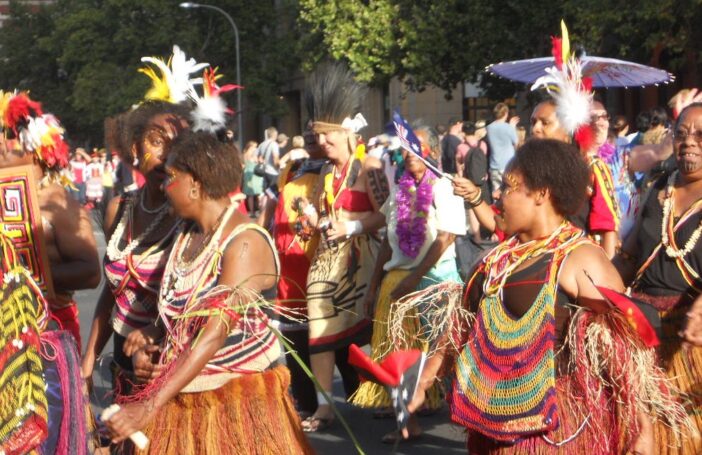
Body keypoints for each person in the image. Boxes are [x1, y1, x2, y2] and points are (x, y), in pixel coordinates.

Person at [403, 139, 688, 453]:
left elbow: (622, 351)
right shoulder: (495, 259)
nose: (498, 195)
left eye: (509, 187)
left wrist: (642, 430)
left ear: (542, 193)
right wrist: (425, 379)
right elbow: (462, 324)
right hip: (490, 425)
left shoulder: (581, 260)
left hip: (554, 431)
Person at [105, 129, 313, 454]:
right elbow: (182, 309)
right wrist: (153, 335)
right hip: (180, 393)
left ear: (196, 183)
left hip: (236, 407)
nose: (163, 186)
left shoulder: (244, 242)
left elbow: (214, 333)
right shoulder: (186, 233)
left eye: (170, 177)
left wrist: (149, 406)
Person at [351, 124, 466, 443]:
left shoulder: (445, 187)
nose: (410, 153)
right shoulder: (399, 190)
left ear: (433, 152)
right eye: (405, 148)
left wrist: (415, 279)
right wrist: (374, 285)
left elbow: (446, 237)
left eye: (418, 146)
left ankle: (472, 417)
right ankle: (408, 421)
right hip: (397, 283)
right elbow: (387, 240)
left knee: (449, 353)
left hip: (437, 283)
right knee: (400, 352)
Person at [298, 64, 388, 432]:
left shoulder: (370, 165)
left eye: (328, 136)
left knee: (375, 328)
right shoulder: (323, 173)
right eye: (318, 138)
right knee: (316, 324)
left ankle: (399, 394)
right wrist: (314, 222)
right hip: (327, 259)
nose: (323, 144)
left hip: (364, 255)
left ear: (348, 132)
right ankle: (324, 406)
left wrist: (352, 225)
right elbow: (326, 212)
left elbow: (387, 215)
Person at [81, 100, 189, 401]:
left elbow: (199, 307)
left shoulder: (189, 214)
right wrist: (89, 359)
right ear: (134, 147)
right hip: (124, 359)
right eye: (156, 141)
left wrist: (155, 341)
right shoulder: (119, 208)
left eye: (176, 144)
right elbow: (114, 288)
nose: (167, 154)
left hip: (172, 367)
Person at [616, 102, 702, 454]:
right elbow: (629, 255)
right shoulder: (658, 187)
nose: (689, 142)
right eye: (681, 134)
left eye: (700, 135)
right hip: (643, 333)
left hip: (690, 342)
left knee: (687, 437)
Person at [272, 126, 361, 419]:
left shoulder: (344, 170)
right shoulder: (292, 170)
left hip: (328, 262)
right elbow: (276, 213)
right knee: (300, 340)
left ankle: (359, 394)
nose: (314, 141)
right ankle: (311, 402)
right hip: (293, 268)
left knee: (338, 335)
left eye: (320, 135)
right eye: (310, 135)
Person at [0, 90, 100, 347]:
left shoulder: (58, 201)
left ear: (36, 147)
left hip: (50, 331)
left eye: (9, 134)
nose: (1, 142)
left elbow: (90, 273)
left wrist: (20, 278)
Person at [486, 102, 518, 196]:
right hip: (508, 165)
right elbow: (516, 143)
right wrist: (512, 127)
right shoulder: (508, 128)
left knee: (496, 193)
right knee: (510, 193)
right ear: (506, 113)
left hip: (494, 165)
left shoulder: (489, 128)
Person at [241, 140, 264, 214]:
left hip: (247, 174)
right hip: (254, 174)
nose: (256, 148)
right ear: (251, 147)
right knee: (259, 193)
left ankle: (252, 211)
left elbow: (243, 164)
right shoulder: (253, 154)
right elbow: (258, 161)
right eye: (255, 146)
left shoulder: (244, 153)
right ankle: (260, 210)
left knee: (250, 194)